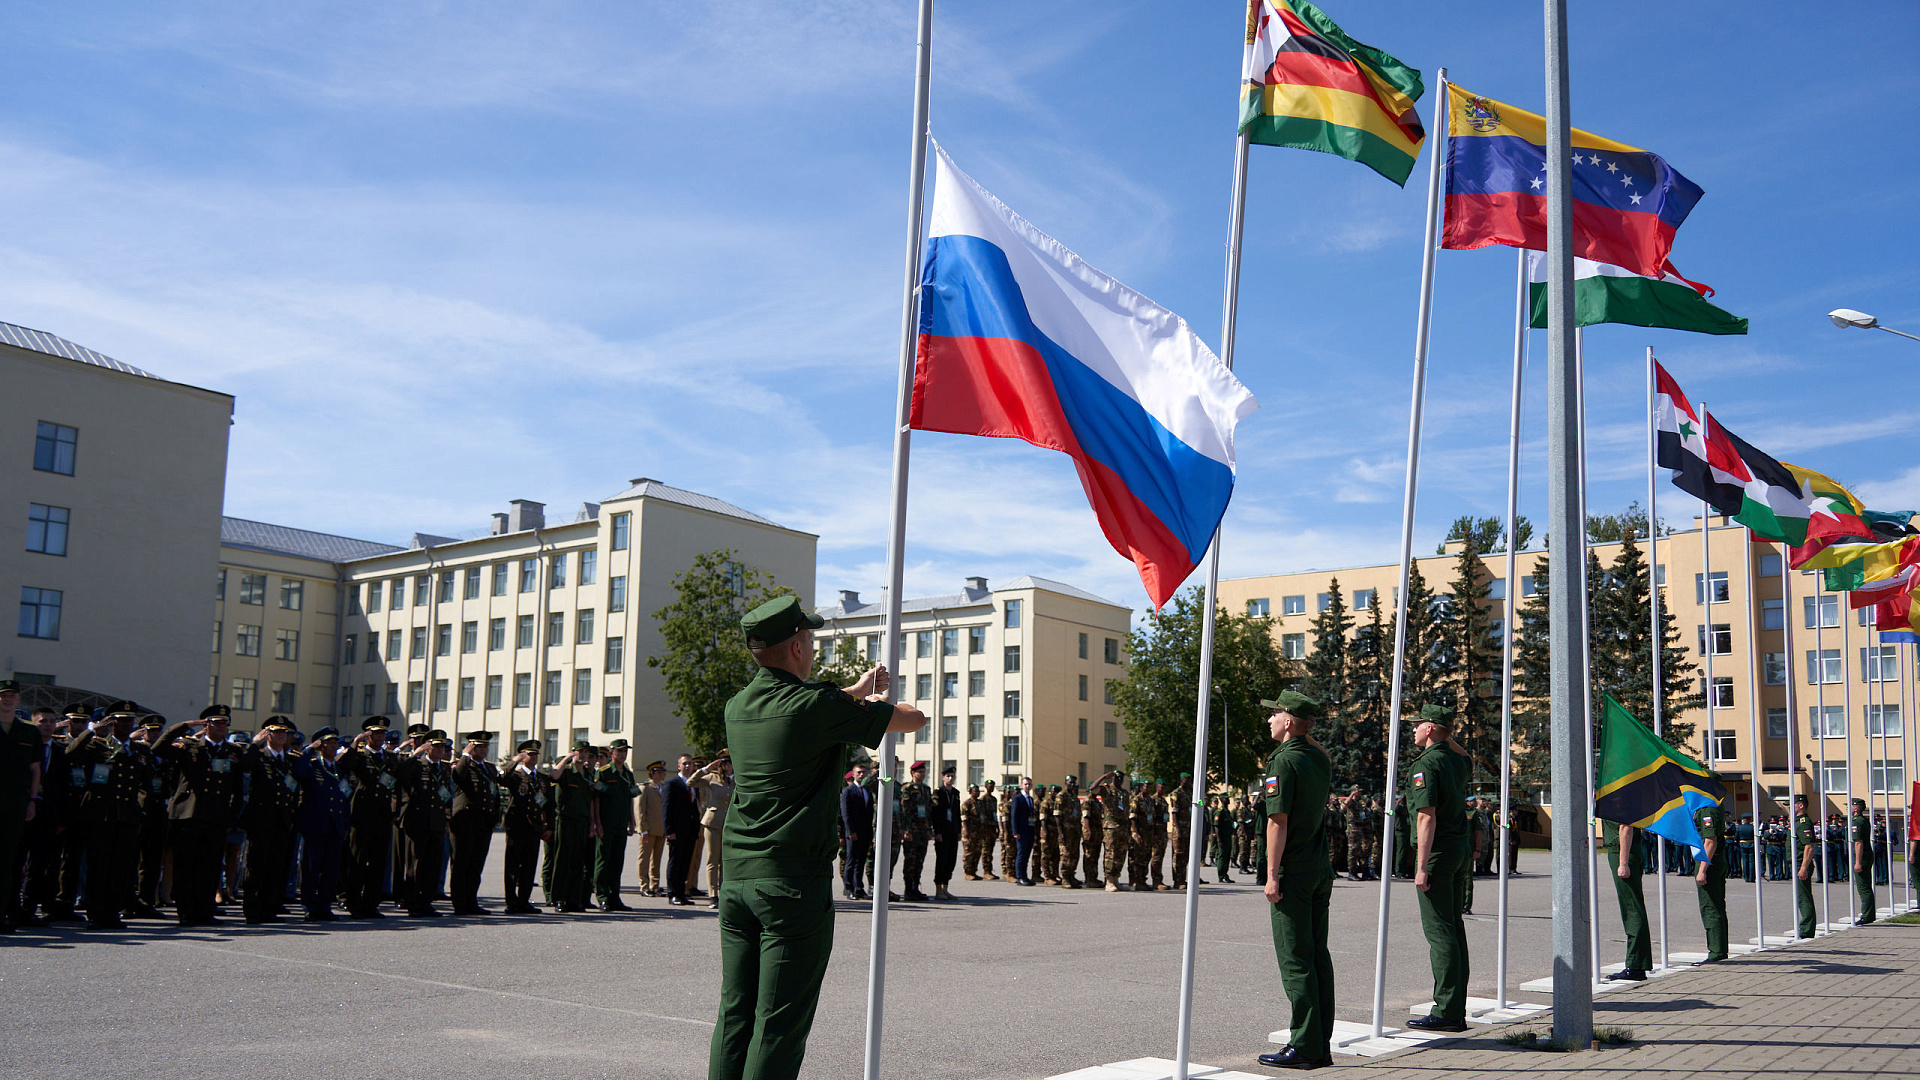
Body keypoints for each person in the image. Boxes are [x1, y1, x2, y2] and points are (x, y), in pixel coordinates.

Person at [708, 594, 924, 1080]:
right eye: (808, 639)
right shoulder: (817, 704)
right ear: (800, 647)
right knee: (780, 1023)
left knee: (735, 1014)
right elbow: (912, 719)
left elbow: (811, 708)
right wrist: (875, 699)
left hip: (739, 877)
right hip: (789, 882)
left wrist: (855, 690)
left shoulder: (738, 707)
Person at [1255, 690, 1335, 1072]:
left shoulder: (1283, 763)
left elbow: (1277, 821)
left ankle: (1304, 1045)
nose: (1268, 720)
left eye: (1275, 715)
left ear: (1288, 722)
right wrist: (1304, 731)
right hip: (1319, 868)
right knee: (1318, 955)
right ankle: (1319, 1042)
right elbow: (1316, 747)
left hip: (1294, 872)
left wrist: (1271, 874)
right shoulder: (1317, 758)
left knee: (1296, 959)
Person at [1405, 704, 1472, 1031]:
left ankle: (1446, 1012)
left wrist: (1421, 866)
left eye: (1419, 725)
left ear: (1429, 729)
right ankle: (1454, 1007)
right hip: (1459, 850)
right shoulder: (1455, 762)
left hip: (1437, 853)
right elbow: (1467, 757)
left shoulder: (1427, 765)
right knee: (1454, 928)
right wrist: (1447, 736)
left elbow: (1425, 816)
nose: (1414, 729)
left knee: (1441, 932)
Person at [63, 702, 151, 930]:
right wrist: (92, 730)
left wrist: (139, 809)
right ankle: (96, 912)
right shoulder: (96, 745)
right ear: (111, 721)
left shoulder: (140, 749)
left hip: (127, 815)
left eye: (130, 720)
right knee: (99, 866)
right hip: (101, 814)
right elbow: (70, 752)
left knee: (121, 866)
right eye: (121, 719)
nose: (126, 724)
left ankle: (113, 911)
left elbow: (147, 783)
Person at [155, 706, 245, 926]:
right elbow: (159, 748)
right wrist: (184, 726)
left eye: (225, 723)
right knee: (186, 865)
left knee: (211, 865)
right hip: (189, 814)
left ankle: (205, 910)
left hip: (216, 816)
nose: (222, 727)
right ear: (206, 724)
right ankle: (186, 911)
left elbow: (237, 789)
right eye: (217, 722)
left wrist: (231, 819)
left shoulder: (233, 751)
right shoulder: (188, 745)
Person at [338, 718, 400, 919]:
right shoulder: (360, 756)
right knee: (357, 860)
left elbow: (398, 782)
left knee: (378, 863)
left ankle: (371, 904)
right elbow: (344, 765)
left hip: (383, 815)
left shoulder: (390, 757)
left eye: (383, 734)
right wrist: (355, 744)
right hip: (362, 814)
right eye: (376, 734)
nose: (381, 738)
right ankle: (353, 902)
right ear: (368, 736)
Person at [0, 681, 46, 934]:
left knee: (8, 861)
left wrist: (31, 801)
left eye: (12, 696)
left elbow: (35, 769)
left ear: (18, 700)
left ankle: (3, 914)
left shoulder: (28, 731)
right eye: (3, 696)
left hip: (16, 803)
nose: (7, 700)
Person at [291, 726, 351, 921]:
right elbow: (298, 772)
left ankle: (325, 906)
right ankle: (310, 906)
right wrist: (308, 749)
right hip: (315, 825)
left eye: (336, 743)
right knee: (311, 868)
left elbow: (344, 797)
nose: (335, 747)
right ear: (321, 745)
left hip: (334, 826)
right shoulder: (312, 765)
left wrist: (346, 824)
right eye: (331, 743)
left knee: (330, 870)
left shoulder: (337, 768)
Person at [449, 731, 503, 915]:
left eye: (486, 745)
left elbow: (493, 794)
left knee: (476, 864)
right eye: (480, 746)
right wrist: (464, 754)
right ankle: (459, 903)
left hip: (483, 822)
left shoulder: (490, 768)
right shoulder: (463, 765)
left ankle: (471, 901)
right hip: (465, 821)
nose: (484, 749)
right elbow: (458, 776)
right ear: (472, 747)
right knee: (461, 863)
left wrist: (496, 817)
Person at [498, 739, 553, 913]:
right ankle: (511, 902)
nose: (534, 756)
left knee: (529, 866)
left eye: (536, 753)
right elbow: (502, 779)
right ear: (523, 756)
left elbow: (548, 805)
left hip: (534, 827)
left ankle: (524, 901)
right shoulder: (515, 776)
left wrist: (549, 826)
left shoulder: (542, 778)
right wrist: (513, 761)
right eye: (530, 754)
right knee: (513, 866)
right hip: (517, 825)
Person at [549, 743, 601, 912]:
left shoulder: (587, 775)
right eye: (580, 751)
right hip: (565, 820)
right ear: (573, 752)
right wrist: (566, 758)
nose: (583, 755)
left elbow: (591, 801)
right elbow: (554, 775)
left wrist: (593, 824)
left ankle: (574, 899)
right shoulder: (566, 771)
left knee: (578, 862)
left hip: (582, 822)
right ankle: (558, 899)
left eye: (586, 752)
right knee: (563, 859)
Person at [593, 739, 642, 911]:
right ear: (612, 752)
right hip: (606, 823)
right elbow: (596, 799)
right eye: (619, 751)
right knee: (603, 861)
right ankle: (602, 897)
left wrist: (632, 821)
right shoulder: (604, 772)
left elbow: (630, 798)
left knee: (617, 861)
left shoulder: (628, 774)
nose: (623, 754)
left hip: (621, 823)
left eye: (625, 751)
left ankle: (615, 897)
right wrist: (597, 823)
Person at [1600, 815, 1650, 981]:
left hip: (1623, 852)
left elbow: (1626, 826)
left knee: (1632, 909)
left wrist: (1623, 862)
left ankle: (1636, 965)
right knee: (1632, 907)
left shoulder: (1619, 793)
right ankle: (1637, 964)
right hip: (1625, 851)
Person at [1693, 786, 1730, 960]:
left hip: (1709, 864)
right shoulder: (1714, 806)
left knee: (1711, 907)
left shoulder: (1707, 809)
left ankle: (1716, 951)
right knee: (1716, 905)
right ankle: (1719, 949)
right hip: (1714, 861)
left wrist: (1702, 870)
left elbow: (1710, 841)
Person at [663, 752, 700, 907]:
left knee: (686, 863)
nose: (687, 766)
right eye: (684, 763)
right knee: (675, 862)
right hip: (676, 831)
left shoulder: (693, 785)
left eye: (690, 763)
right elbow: (666, 808)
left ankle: (681, 893)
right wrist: (669, 830)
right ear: (679, 766)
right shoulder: (672, 784)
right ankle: (672, 893)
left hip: (690, 831)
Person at [899, 761, 934, 901]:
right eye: (920, 772)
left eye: (924, 772)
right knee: (910, 860)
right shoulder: (907, 789)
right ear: (913, 773)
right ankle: (908, 890)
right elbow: (905, 810)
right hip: (912, 830)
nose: (923, 774)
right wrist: (907, 830)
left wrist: (930, 829)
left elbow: (929, 811)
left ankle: (915, 888)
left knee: (919, 860)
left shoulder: (926, 789)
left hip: (923, 831)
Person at [839, 763, 873, 900]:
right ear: (853, 774)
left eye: (863, 772)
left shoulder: (867, 792)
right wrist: (850, 831)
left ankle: (859, 888)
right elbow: (845, 814)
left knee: (861, 861)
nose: (861, 774)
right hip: (853, 833)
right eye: (858, 772)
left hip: (865, 832)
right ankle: (848, 888)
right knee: (851, 861)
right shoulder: (848, 791)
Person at [636, 761, 667, 896]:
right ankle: (644, 886)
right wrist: (643, 829)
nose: (661, 775)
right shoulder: (645, 788)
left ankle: (655, 885)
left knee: (657, 859)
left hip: (661, 829)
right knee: (644, 858)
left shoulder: (664, 787)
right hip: (648, 829)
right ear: (651, 774)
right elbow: (639, 810)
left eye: (662, 772)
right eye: (658, 772)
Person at [931, 765, 961, 900]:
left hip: (952, 831)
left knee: (951, 860)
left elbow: (957, 814)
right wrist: (937, 832)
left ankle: (945, 888)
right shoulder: (938, 792)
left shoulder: (955, 793)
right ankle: (938, 889)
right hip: (942, 832)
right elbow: (935, 814)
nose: (950, 778)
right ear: (943, 778)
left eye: (952, 776)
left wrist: (959, 831)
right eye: (948, 776)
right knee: (942, 860)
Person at [1793, 795, 1818, 939]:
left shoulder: (1803, 823)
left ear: (1801, 805)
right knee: (1801, 897)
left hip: (1800, 863)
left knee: (1804, 897)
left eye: (1793, 804)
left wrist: (1803, 867)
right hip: (1797, 863)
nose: (1790, 807)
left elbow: (1809, 846)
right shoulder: (1797, 822)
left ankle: (1807, 930)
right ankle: (1805, 927)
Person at [1849, 797, 1876, 925]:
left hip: (1862, 856)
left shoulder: (1857, 822)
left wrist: (1858, 862)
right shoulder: (1861, 820)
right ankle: (1869, 914)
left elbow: (1858, 843)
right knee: (1865, 886)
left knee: (1863, 887)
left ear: (1856, 808)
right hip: (1866, 855)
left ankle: (1867, 915)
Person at [1055, 775, 1083, 889]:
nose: (1072, 785)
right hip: (1066, 830)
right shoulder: (1061, 796)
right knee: (1066, 855)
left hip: (1075, 829)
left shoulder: (1074, 797)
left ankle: (1071, 875)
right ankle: (1065, 877)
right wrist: (1060, 832)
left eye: (1074, 783)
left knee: (1074, 854)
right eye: (1070, 782)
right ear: (1065, 782)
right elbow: (1057, 815)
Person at [1010, 776, 1038, 886]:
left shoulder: (1031, 799)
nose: (1027, 786)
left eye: (1029, 784)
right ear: (1022, 785)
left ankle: (1025, 876)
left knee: (1026, 854)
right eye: (1025, 784)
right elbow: (1014, 816)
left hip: (1029, 830)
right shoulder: (1017, 798)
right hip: (1021, 831)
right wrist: (1015, 831)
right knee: (1021, 854)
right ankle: (1019, 877)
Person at [977, 779, 1000, 880]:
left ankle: (989, 870)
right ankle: (986, 871)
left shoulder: (994, 799)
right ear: (986, 787)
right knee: (986, 850)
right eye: (989, 786)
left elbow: (995, 814)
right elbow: (982, 815)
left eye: (992, 786)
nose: (991, 788)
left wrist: (997, 827)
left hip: (992, 827)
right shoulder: (983, 800)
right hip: (986, 828)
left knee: (990, 850)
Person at [1213, 794, 1237, 885]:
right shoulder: (1220, 811)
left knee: (1227, 856)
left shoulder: (1227, 811)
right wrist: (1219, 840)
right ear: (1222, 800)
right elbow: (1217, 826)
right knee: (1222, 857)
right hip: (1222, 837)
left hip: (1228, 837)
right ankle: (1221, 876)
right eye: (1226, 798)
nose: (1228, 799)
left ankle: (1225, 874)